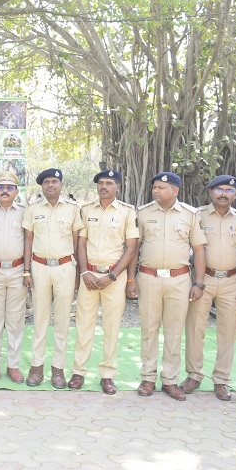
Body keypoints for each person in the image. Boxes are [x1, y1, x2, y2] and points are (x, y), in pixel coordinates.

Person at [127, 172, 206, 401]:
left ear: (175, 191)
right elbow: (135, 248)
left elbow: (199, 250)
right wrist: (131, 279)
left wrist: (198, 283)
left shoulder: (190, 215)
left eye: (162, 187)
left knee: (173, 332)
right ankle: (148, 378)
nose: (156, 191)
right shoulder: (143, 213)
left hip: (179, 280)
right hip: (149, 278)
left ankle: (170, 380)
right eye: (155, 187)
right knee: (149, 330)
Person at [179, 175, 236, 402]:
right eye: (219, 189)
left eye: (229, 190)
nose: (223, 194)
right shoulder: (197, 215)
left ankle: (221, 380)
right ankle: (194, 374)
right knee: (195, 328)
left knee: (228, 331)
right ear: (210, 192)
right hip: (203, 279)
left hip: (231, 280)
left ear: (235, 195)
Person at [69, 169, 138, 395]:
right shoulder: (86, 210)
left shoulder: (127, 212)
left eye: (109, 183)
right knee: (84, 326)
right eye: (100, 183)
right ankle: (79, 372)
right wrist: (84, 272)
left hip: (113, 278)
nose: (104, 186)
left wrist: (113, 276)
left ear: (117, 186)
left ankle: (108, 375)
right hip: (89, 276)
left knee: (111, 327)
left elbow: (131, 248)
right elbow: (80, 244)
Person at [22, 168, 81, 388]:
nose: (50, 185)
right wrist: (26, 271)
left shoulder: (73, 210)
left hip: (65, 267)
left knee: (63, 320)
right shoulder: (33, 209)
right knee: (40, 319)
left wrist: (78, 272)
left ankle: (58, 369)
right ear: (42, 186)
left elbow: (77, 242)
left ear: (61, 185)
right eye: (46, 182)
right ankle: (37, 367)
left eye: (54, 181)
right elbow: (28, 240)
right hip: (39, 267)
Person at [0, 171, 27, 383]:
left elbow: (30, 242)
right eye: (1, 187)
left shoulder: (24, 212)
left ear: (16, 191)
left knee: (15, 320)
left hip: (18, 271)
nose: (4, 190)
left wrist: (28, 271)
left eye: (9, 187)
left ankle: (13, 365)